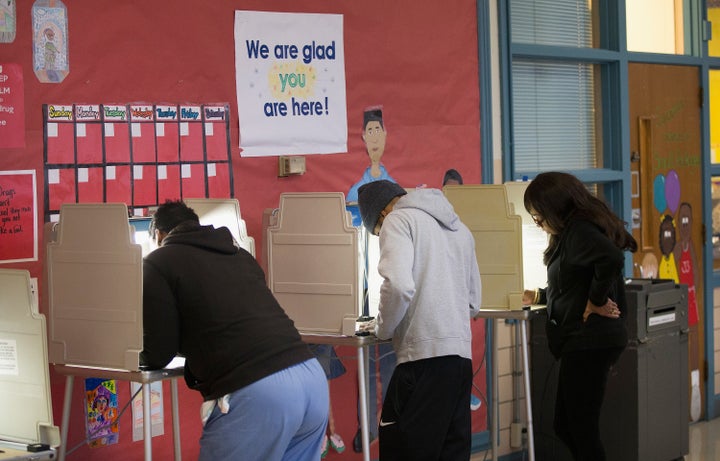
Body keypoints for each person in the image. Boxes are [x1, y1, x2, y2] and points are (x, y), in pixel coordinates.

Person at [141, 200, 329, 461]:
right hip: (310, 376)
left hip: (259, 389)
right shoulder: (239, 255)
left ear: (158, 235)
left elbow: (158, 352)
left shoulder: (158, 261)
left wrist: (131, 354)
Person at [356, 180, 482, 460]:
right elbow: (474, 302)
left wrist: (382, 328)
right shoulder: (459, 227)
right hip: (461, 362)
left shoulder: (397, 220)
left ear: (381, 215)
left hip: (422, 362)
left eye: (376, 232)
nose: (381, 236)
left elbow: (399, 285)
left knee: (402, 449)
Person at [521, 171, 637, 461]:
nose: (538, 223)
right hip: (583, 341)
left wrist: (594, 302)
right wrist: (538, 296)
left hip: (590, 340)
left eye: (539, 216)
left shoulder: (580, 230)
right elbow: (570, 285)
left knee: (581, 429)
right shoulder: (570, 233)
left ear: (555, 208)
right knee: (566, 426)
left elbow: (611, 258)